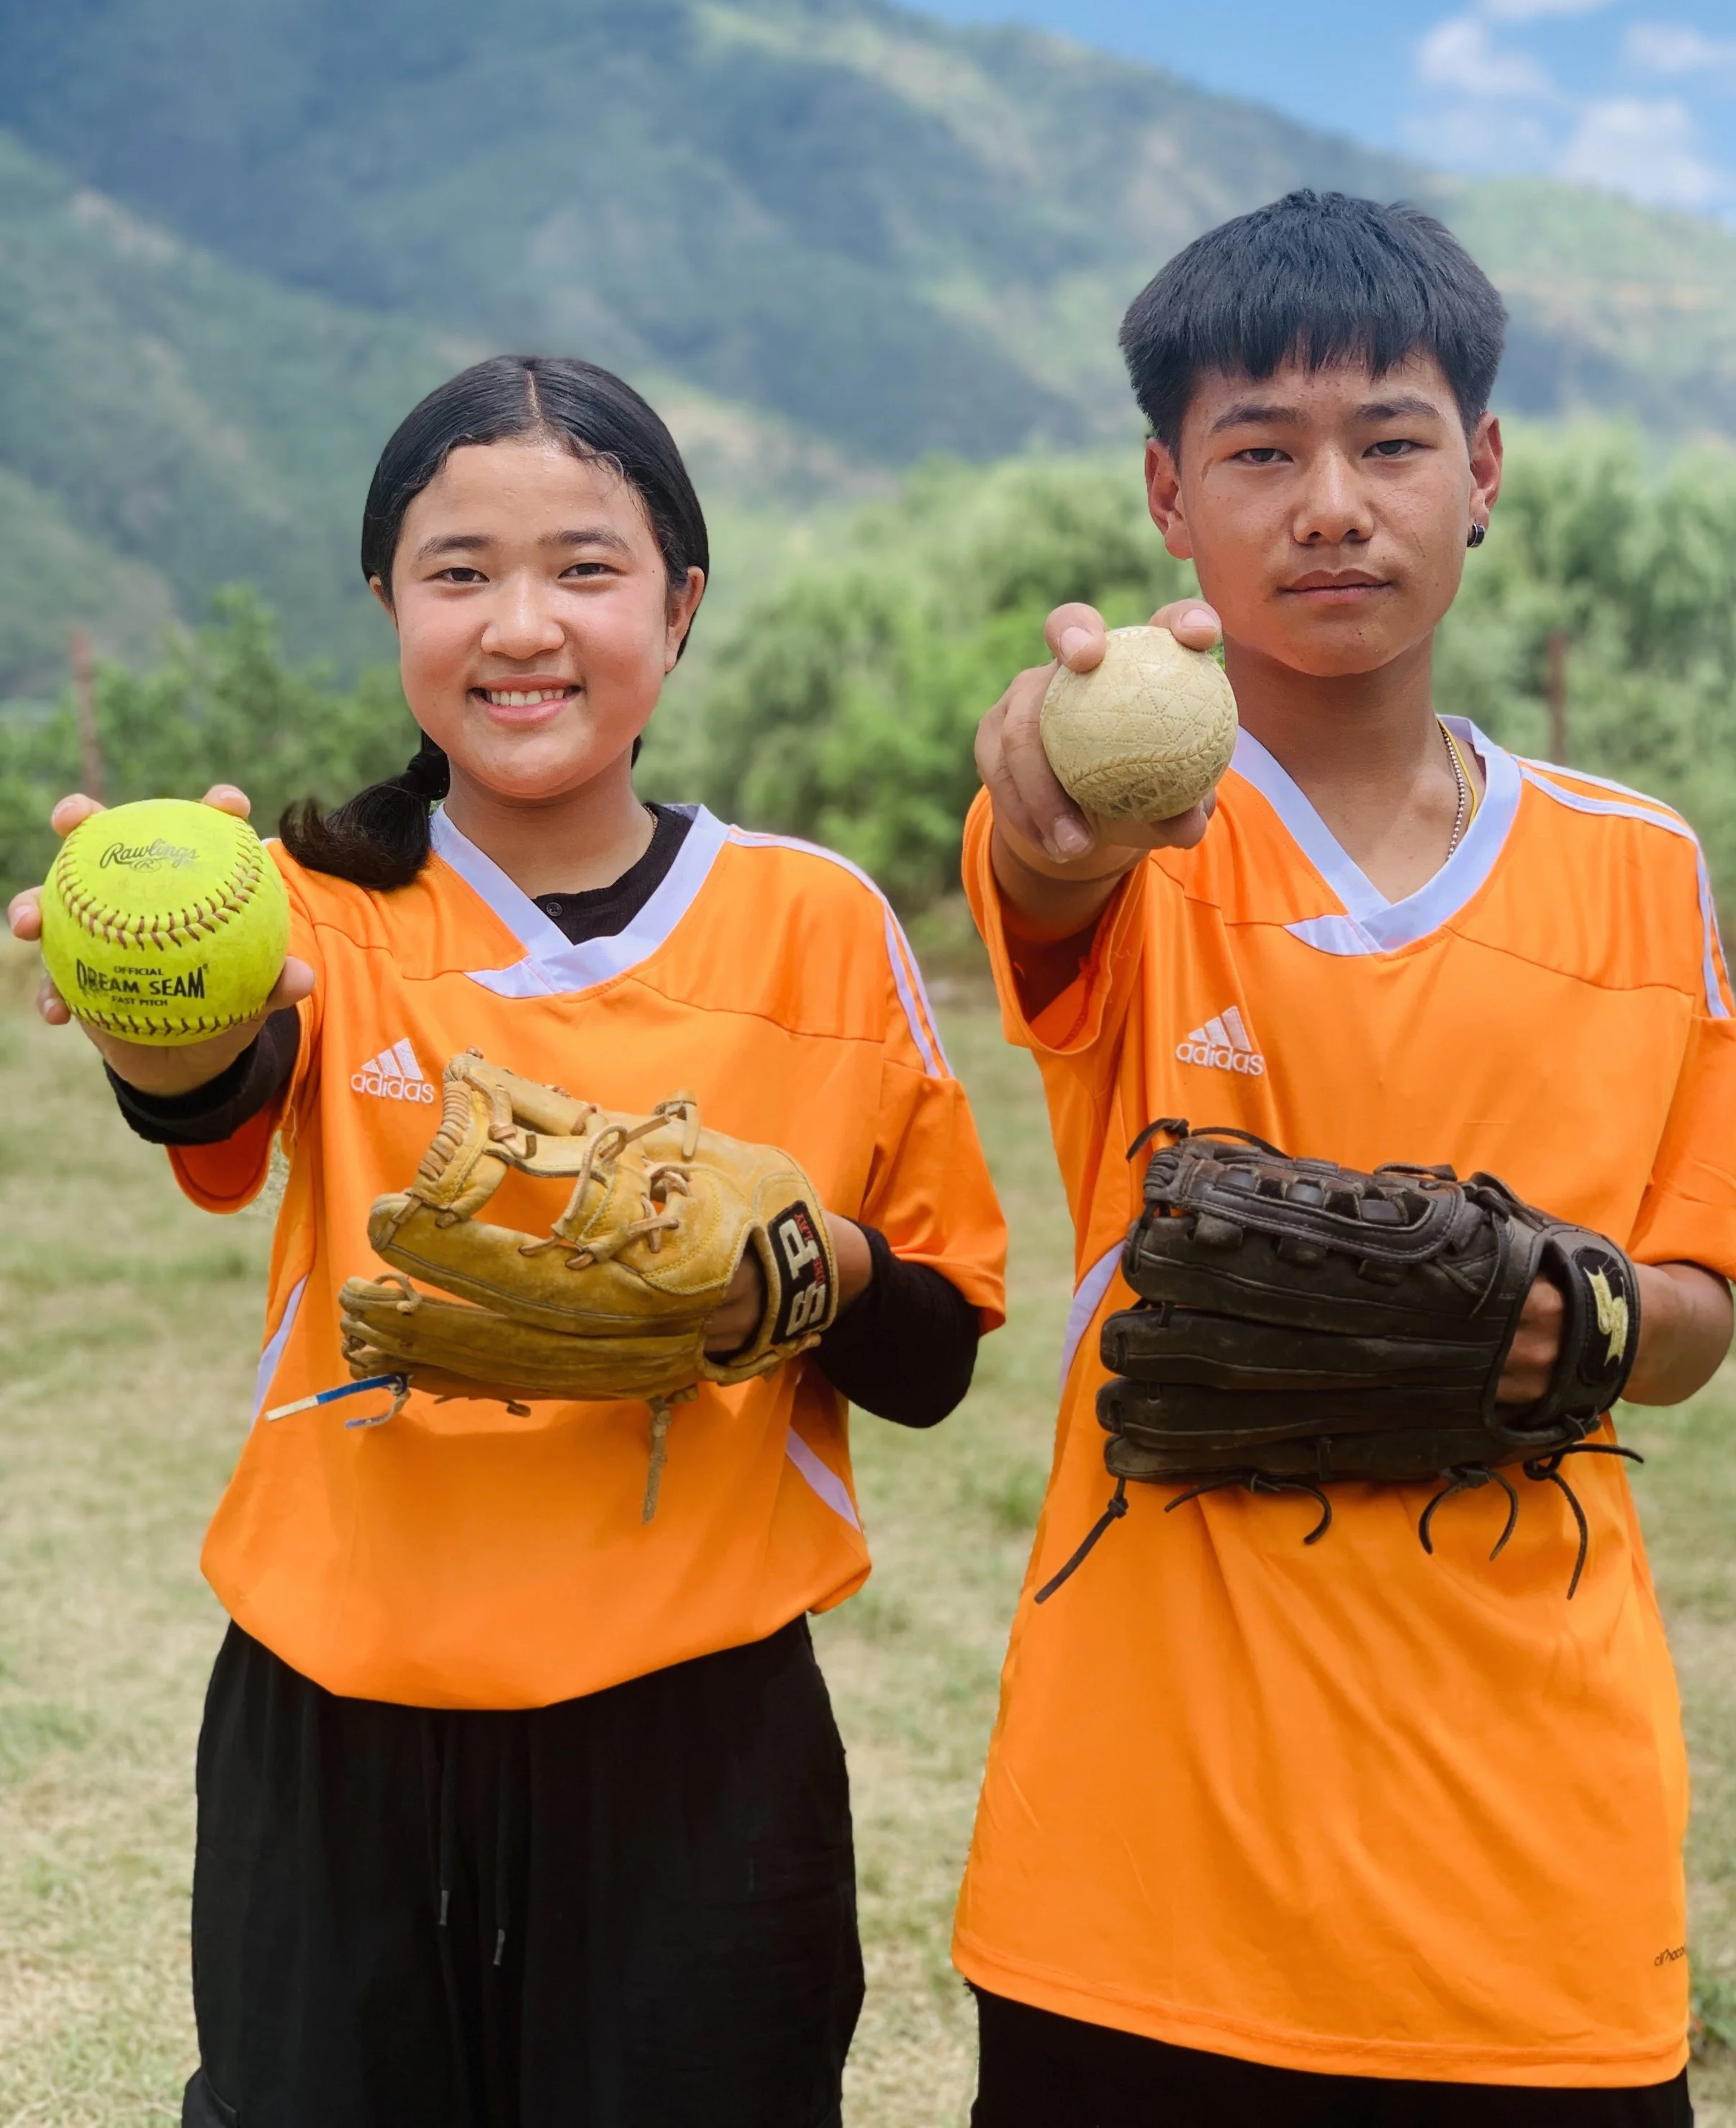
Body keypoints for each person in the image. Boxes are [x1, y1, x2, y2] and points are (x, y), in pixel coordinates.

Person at [7, 355, 1008, 2128]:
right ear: (389, 604)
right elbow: (215, 1098)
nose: (520, 624)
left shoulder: (815, 923)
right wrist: (161, 1031)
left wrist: (798, 1270)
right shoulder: (305, 905)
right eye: (458, 571)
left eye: (584, 568)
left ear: (678, 606)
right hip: (333, 1715)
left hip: (695, 1736)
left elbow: (931, 1350)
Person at [955, 191, 1736, 2124]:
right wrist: (1055, 797)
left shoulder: (1633, 866)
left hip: (1534, 1881)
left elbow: (1697, 1307)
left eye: (1387, 442)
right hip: (1143, 1878)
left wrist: (1574, 1312)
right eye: (1259, 452)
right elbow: (1042, 861)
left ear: (1476, 471)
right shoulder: (1135, 833)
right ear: (1167, 496)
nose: (1329, 504)